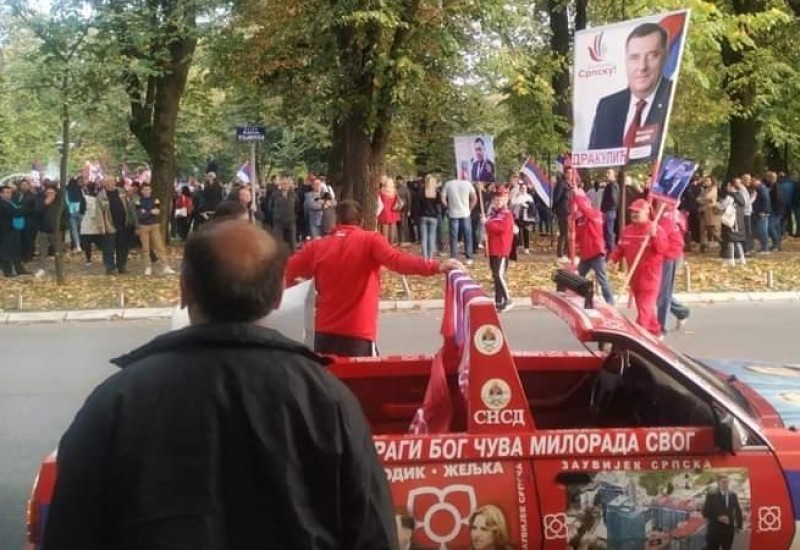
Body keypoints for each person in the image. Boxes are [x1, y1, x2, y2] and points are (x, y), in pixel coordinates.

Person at [42, 220, 397, 550]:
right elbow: (372, 532)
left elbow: (70, 532)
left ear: (184, 290)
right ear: (277, 297)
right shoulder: (327, 399)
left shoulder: (114, 403)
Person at [284, 200, 463, 357]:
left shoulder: (317, 246)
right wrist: (435, 266)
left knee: (327, 389)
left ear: (336, 221)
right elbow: (397, 261)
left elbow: (285, 272)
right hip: (358, 332)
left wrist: (309, 299)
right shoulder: (370, 240)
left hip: (323, 332)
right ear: (361, 221)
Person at [588, 22, 673, 159]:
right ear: (626, 61)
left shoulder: (672, 97)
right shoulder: (607, 106)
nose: (642, 66)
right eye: (634, 57)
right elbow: (594, 154)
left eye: (652, 55)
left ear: (665, 56)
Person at [608, 199, 667, 337]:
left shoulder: (655, 229)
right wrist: (612, 259)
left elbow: (662, 249)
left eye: (637, 211)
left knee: (644, 311)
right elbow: (620, 247)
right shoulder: (628, 230)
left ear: (647, 212)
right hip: (634, 277)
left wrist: (654, 237)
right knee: (643, 308)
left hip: (650, 277)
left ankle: (636, 338)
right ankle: (656, 331)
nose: (634, 214)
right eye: (632, 211)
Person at [573, 186, 615, 304]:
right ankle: (581, 296)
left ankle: (610, 301)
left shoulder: (595, 214)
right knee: (580, 276)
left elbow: (583, 207)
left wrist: (577, 195)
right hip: (585, 254)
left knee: (602, 278)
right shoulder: (581, 221)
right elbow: (578, 237)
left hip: (596, 252)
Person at [656, 202, 690, 332]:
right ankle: (681, 311)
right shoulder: (662, 217)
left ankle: (661, 326)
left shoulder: (672, 218)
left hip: (670, 257)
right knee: (659, 292)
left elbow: (677, 241)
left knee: (662, 293)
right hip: (663, 257)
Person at [96, 176, 137, 275]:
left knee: (123, 247)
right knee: (109, 248)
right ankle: (110, 268)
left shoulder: (121, 191)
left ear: (115, 182)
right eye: (107, 182)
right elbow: (99, 212)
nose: (110, 183)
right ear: (104, 184)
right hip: (109, 224)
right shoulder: (101, 195)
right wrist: (102, 226)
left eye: (112, 181)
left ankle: (121, 266)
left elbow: (130, 203)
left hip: (123, 224)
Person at [484, 187, 516, 312]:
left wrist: (487, 224)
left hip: (502, 249)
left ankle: (508, 299)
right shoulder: (492, 214)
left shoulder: (506, 214)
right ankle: (498, 301)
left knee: (499, 274)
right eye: (495, 200)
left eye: (500, 200)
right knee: (495, 275)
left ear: (505, 201)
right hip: (493, 248)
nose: (497, 202)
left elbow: (501, 229)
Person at [135, 184, 175, 276]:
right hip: (143, 226)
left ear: (151, 190)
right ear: (142, 191)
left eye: (148, 189)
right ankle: (147, 267)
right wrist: (150, 212)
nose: (146, 191)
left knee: (159, 247)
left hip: (154, 225)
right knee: (145, 248)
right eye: (144, 190)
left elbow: (157, 212)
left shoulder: (155, 200)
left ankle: (165, 266)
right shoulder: (138, 201)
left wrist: (146, 212)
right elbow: (140, 215)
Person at [442, 178, 477, 265]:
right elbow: (474, 198)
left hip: (453, 213)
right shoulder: (468, 184)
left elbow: (442, 198)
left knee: (453, 237)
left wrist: (447, 207)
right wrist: (470, 209)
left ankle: (454, 257)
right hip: (465, 213)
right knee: (467, 236)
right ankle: (469, 257)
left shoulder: (448, 183)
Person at [702, 474, 743, 550]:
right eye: (723, 482)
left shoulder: (733, 495)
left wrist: (739, 525)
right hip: (714, 531)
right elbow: (705, 512)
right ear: (718, 483)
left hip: (728, 531)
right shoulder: (711, 495)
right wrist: (718, 518)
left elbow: (738, 510)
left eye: (727, 482)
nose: (725, 484)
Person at [0, 182, 28, 277]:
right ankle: (8, 272)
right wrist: (23, 210)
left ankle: (19, 269)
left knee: (17, 250)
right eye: (7, 192)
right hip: (6, 231)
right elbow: (14, 213)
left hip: (14, 229)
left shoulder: (11, 202)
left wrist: (21, 210)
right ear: (1, 194)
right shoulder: (2, 203)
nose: (9, 194)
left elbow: (17, 211)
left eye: (10, 192)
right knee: (6, 251)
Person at [418, 174, 441, 260]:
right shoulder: (436, 192)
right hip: (433, 217)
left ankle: (425, 258)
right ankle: (430, 258)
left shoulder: (421, 191)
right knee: (432, 238)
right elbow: (439, 205)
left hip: (423, 216)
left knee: (424, 238)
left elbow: (418, 204)